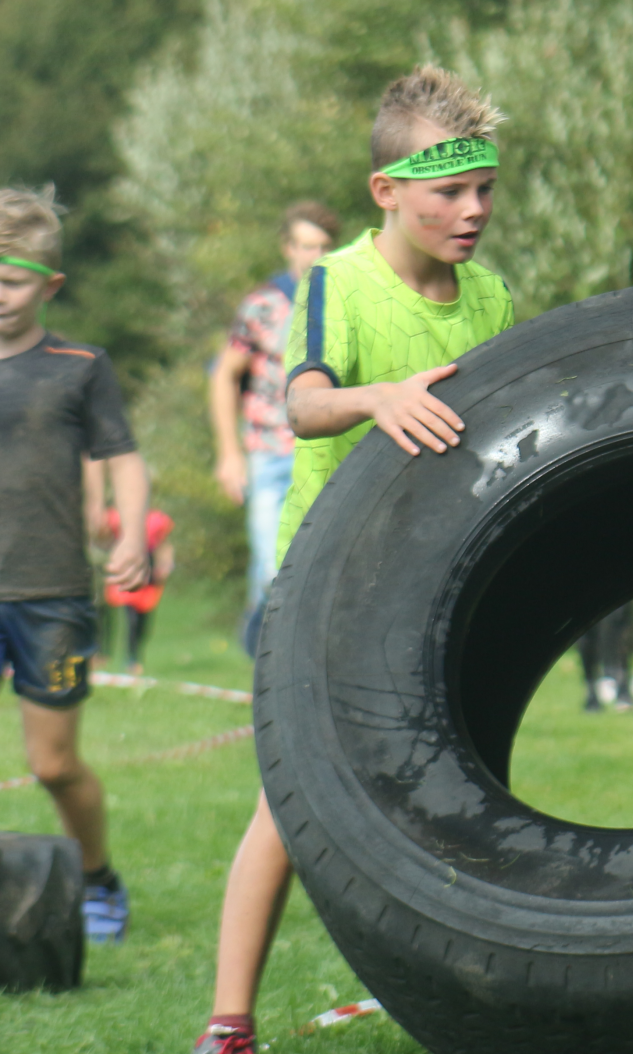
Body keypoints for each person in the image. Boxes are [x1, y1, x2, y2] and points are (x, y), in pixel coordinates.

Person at [194, 66, 515, 1054]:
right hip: (331, 582)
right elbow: (301, 404)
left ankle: (470, 1007)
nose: (472, 212)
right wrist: (378, 399)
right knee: (290, 804)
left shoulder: (492, 295)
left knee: (467, 801)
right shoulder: (338, 282)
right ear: (387, 193)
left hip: (441, 585)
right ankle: (229, 1021)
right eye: (447, 194)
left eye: (484, 189)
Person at [0, 184, 148, 945]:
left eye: (13, 279)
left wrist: (130, 535)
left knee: (54, 765)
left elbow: (121, 458)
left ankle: (97, 881)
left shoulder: (79, 366)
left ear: (49, 285)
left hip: (50, 594)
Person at [208, 202, 338, 657]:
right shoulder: (262, 306)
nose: (312, 255)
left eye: (322, 246)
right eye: (304, 245)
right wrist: (229, 455)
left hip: (324, 449)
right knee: (271, 567)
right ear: (288, 248)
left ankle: (296, 661)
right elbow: (225, 374)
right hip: (269, 451)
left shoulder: (341, 299)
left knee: (318, 566)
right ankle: (264, 649)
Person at [102, 501, 176, 672]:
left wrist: (165, 565)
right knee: (130, 617)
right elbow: (105, 540)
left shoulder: (157, 519)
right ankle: (127, 658)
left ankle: (136, 653)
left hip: (149, 573)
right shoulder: (115, 517)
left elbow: (163, 545)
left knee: (143, 619)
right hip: (126, 570)